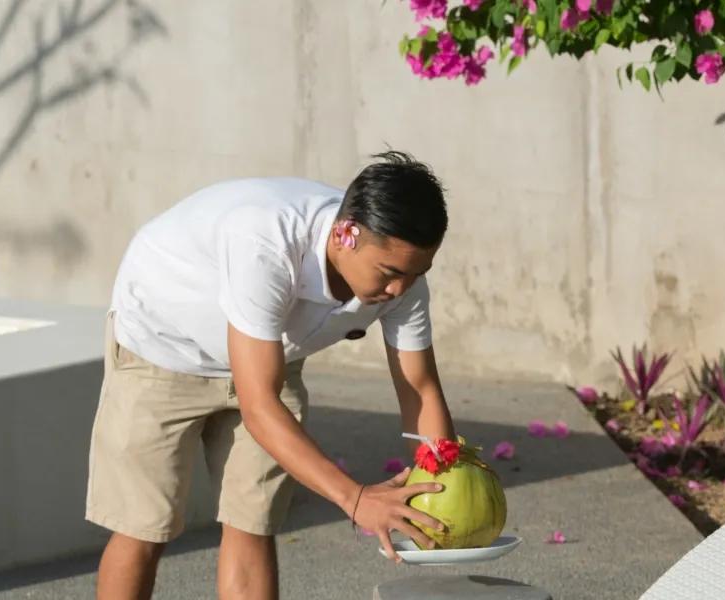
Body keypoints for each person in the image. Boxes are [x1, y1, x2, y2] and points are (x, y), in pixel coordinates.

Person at [86, 150, 457, 599]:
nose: (399, 289)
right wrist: (356, 498)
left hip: (265, 356)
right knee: (144, 526)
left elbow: (419, 388)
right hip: (162, 349)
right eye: (389, 272)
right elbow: (259, 406)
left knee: (252, 521)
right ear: (345, 235)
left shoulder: (404, 279)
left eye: (417, 272)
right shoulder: (266, 241)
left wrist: (451, 487)